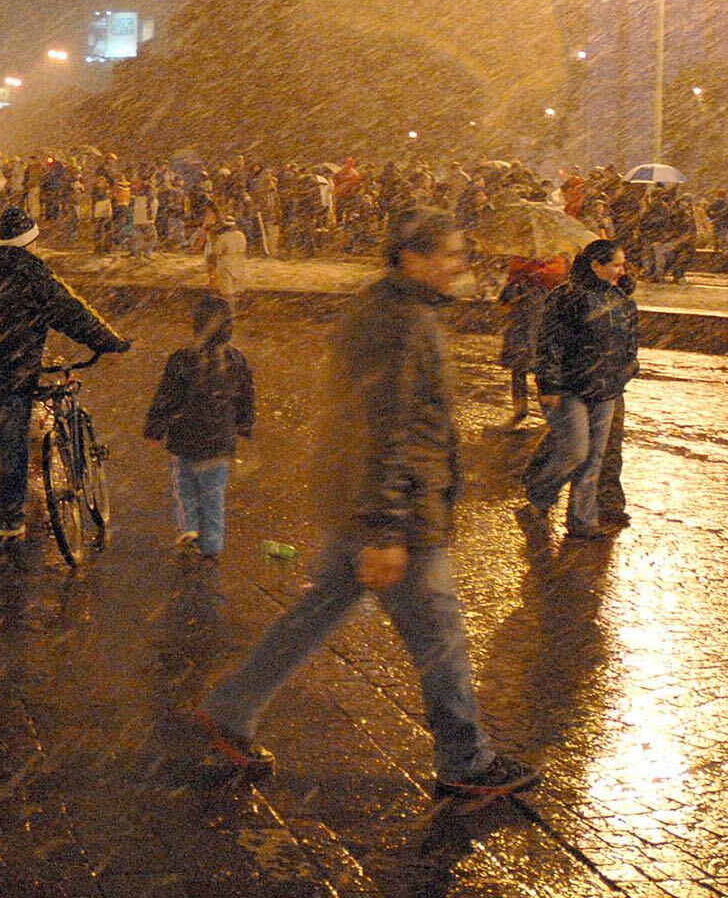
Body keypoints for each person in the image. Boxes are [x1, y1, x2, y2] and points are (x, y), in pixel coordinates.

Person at [195, 210, 541, 806]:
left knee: (318, 611)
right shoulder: (403, 323)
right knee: (440, 640)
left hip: (368, 500)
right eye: (452, 255)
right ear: (414, 257)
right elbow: (389, 428)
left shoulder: (388, 309)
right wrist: (386, 528)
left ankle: (231, 709)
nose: (461, 266)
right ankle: (465, 759)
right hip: (395, 511)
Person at [0, 207, 127, 552]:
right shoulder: (34, 274)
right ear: (31, 241)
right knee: (11, 451)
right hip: (13, 378)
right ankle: (10, 521)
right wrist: (108, 341)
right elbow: (71, 311)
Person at [519, 239, 639, 542]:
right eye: (615, 265)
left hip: (606, 388)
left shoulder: (620, 299)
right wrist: (548, 382)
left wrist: (625, 370)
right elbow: (549, 342)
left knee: (594, 458)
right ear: (596, 265)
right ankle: (539, 494)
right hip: (571, 387)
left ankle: (582, 521)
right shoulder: (567, 297)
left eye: (623, 265)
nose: (621, 271)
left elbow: (630, 340)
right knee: (575, 450)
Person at [144, 292, 255, 561]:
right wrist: (244, 425)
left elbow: (166, 396)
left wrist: (155, 428)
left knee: (184, 489)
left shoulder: (182, 359)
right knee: (213, 494)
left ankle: (189, 529)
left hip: (185, 439)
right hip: (219, 441)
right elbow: (245, 398)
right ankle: (213, 544)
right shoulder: (237, 361)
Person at [496, 255, 567, 428]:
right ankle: (550, 413)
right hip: (545, 332)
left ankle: (520, 408)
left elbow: (505, 298)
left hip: (522, 329)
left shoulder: (519, 268)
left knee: (519, 371)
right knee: (543, 371)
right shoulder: (556, 267)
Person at [204, 215, 248, 303]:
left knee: (227, 291)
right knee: (238, 288)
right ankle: (239, 308)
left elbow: (216, 251)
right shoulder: (241, 235)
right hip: (239, 262)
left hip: (226, 263)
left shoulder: (223, 237)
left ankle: (231, 310)